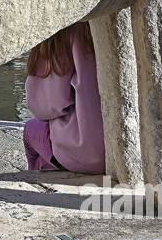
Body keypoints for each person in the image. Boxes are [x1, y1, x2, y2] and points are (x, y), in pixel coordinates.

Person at [22, 22, 106, 174]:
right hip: (122, 148)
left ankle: (35, 176)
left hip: (88, 153)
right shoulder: (101, 25)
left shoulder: (62, 32)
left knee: (31, 130)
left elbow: (42, 105)